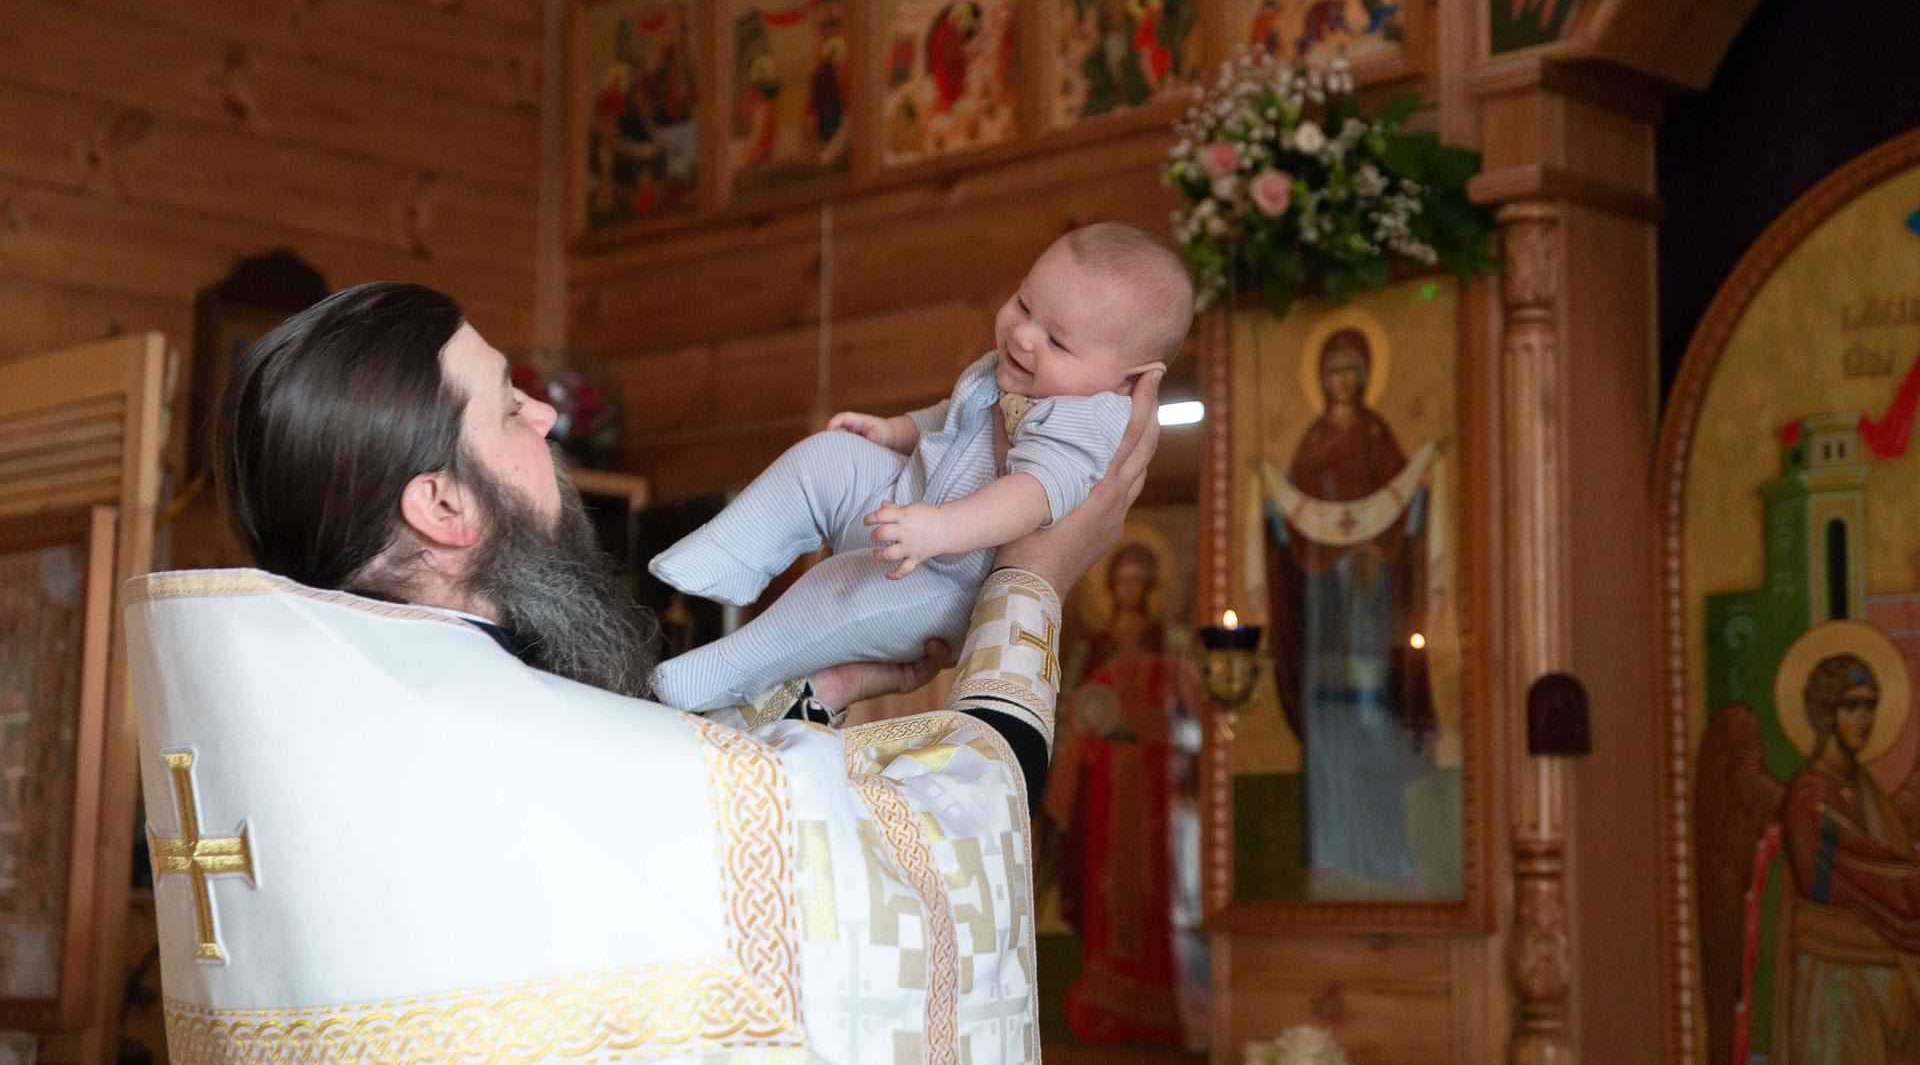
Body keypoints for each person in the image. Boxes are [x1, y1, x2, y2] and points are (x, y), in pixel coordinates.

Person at [126, 280, 1161, 1064]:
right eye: (506, 407)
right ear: (443, 505)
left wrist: (829, 689)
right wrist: (1031, 579)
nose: (543, 415)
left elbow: (655, 796)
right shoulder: (518, 746)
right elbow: (950, 853)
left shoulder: (310, 731)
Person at [649, 223, 1195, 713]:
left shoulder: (1086, 420)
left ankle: (725, 670)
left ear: (1128, 381)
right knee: (828, 455)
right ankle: (730, 557)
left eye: (1057, 341)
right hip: (902, 508)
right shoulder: (1010, 371)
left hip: (946, 579)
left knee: (835, 588)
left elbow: (1032, 495)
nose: (1023, 335)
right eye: (1024, 304)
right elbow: (952, 415)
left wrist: (941, 530)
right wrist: (893, 431)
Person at [1264, 327, 1432, 882]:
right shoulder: (1313, 442)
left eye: (1350, 371)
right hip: (1322, 603)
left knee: (1372, 714)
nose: (1342, 381)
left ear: (1363, 377)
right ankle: (1331, 848)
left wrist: (1375, 546)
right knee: (1329, 721)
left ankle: (1385, 848)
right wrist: (1273, 509)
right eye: (1333, 371)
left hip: (1369, 597)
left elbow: (1402, 508)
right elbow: (1292, 519)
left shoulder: (1377, 435)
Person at [1774, 652, 1920, 1061]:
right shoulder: (1811, 802)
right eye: (1851, 706)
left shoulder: (1867, 791)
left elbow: (1896, 882)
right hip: (1838, 987)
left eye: (1871, 705)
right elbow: (1891, 886)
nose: (1865, 719)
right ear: (1825, 713)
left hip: (1885, 981)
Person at [1044, 542, 1200, 1047]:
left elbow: (1190, 716)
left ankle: (1160, 1005)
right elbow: (1073, 715)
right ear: (1111, 587)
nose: (1129, 589)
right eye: (1121, 580)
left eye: (1138, 579)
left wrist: (1143, 724)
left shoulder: (1170, 642)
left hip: (1155, 787)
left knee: (1156, 886)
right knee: (1106, 887)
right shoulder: (1093, 647)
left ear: (1151, 585)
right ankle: (1106, 1003)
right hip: (1104, 787)